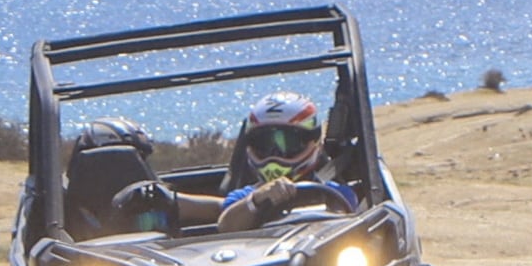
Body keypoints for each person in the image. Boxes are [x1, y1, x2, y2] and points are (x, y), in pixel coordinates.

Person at [109, 90, 356, 234]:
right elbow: (227, 224)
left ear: (312, 143)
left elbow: (348, 225)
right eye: (264, 144)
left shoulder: (334, 193)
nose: (274, 155)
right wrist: (257, 200)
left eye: (287, 144)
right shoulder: (245, 196)